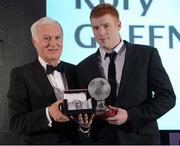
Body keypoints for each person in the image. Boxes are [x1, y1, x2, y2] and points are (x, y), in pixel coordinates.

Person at [77, 3, 176, 144]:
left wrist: (130, 116)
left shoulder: (146, 55)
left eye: (106, 26)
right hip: (103, 141)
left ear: (119, 25)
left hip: (142, 140)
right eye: (96, 28)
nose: (101, 33)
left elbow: (167, 98)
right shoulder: (83, 67)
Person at [7, 17, 92, 144]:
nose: (53, 43)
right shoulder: (21, 74)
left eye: (57, 38)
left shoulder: (76, 71)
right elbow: (16, 123)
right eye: (46, 38)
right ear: (34, 41)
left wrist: (85, 127)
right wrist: (48, 113)